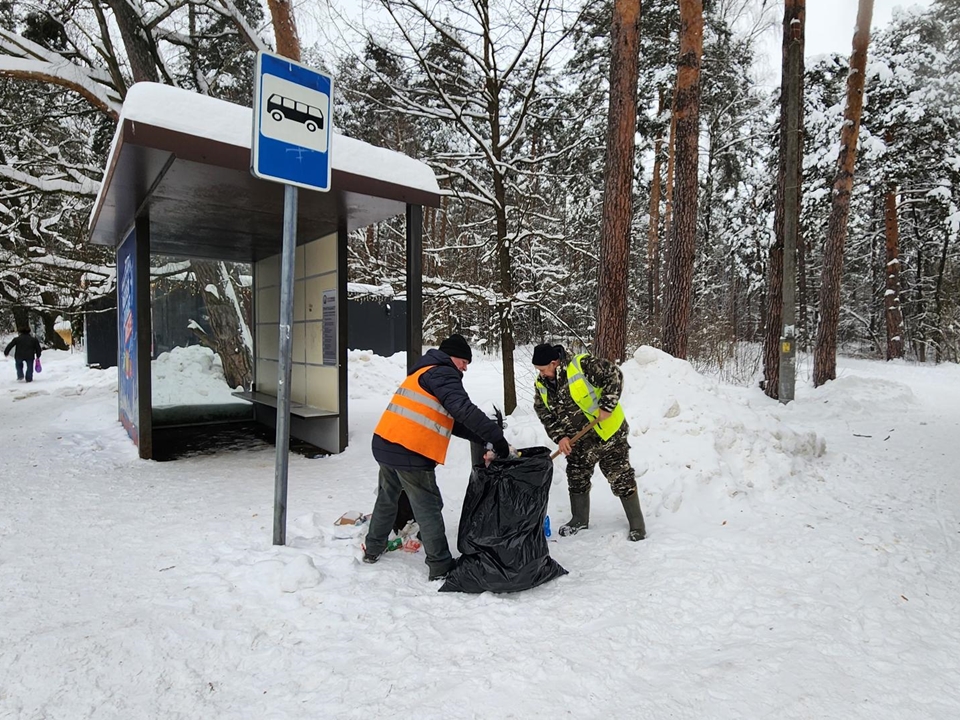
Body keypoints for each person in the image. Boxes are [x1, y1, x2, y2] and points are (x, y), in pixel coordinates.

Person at [363, 333, 512, 581]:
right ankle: (441, 565)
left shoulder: (424, 372)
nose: (465, 367)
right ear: (452, 357)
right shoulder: (443, 373)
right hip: (410, 451)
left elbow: (451, 421)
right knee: (428, 507)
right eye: (464, 361)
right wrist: (497, 437)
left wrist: (483, 438)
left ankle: (373, 548)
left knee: (387, 499)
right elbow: (463, 410)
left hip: (386, 443)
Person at [531, 343, 646, 541]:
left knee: (620, 477)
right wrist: (560, 437)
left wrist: (607, 405)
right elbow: (545, 414)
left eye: (543, 369)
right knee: (576, 478)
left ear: (554, 363)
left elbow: (614, 375)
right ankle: (579, 519)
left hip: (608, 434)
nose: (541, 374)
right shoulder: (542, 385)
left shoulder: (581, 365)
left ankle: (637, 525)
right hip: (578, 442)